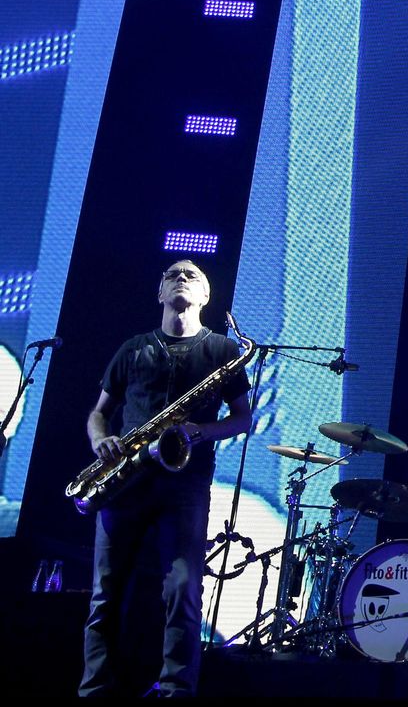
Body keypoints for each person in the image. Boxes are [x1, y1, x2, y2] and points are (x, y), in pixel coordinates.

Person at [80, 260, 253, 697]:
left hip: (185, 484)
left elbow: (242, 420)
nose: (181, 277)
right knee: (105, 594)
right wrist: (103, 441)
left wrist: (202, 431)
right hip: (125, 482)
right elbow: (99, 413)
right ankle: (95, 689)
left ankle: (176, 688)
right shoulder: (133, 348)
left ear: (205, 297)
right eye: (172, 273)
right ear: (159, 292)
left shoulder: (222, 351)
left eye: (192, 275)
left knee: (182, 590)